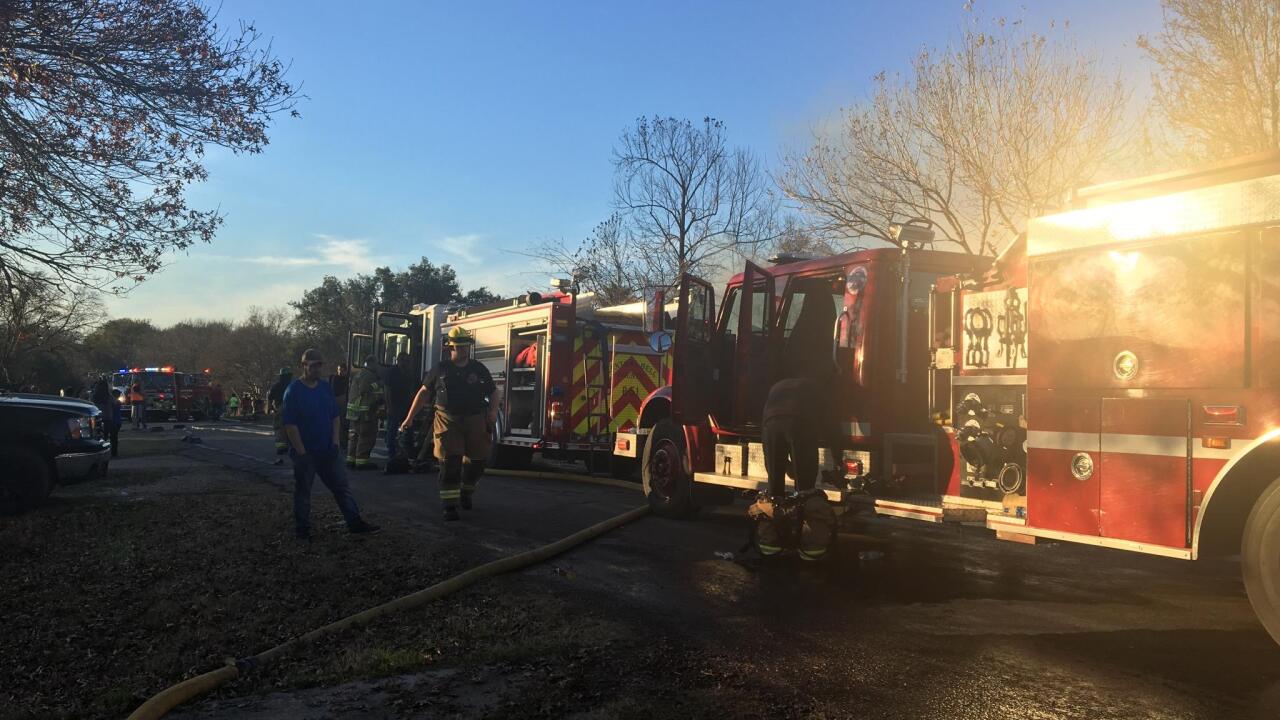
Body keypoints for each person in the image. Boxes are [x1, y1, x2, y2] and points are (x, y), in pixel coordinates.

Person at [282, 348, 380, 540]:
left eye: (320, 365)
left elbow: (335, 417)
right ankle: (302, 530)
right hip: (306, 453)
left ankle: (354, 522)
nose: (317, 369)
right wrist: (301, 452)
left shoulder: (325, 388)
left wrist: (335, 443)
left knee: (341, 487)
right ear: (304, 366)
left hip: (327, 450)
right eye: (313, 365)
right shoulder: (293, 391)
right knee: (303, 492)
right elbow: (290, 424)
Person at [400, 327, 496, 522]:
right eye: (459, 346)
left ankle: (466, 491)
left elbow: (494, 392)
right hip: (447, 420)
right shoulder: (440, 369)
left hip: (475, 419)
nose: (463, 350)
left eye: (466, 346)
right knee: (450, 462)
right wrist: (409, 418)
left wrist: (493, 412)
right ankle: (449, 506)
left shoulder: (479, 369)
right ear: (450, 347)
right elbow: (423, 394)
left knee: (478, 462)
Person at [345, 355, 384, 471]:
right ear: (371, 363)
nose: (378, 366)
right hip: (365, 412)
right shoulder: (369, 375)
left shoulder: (359, 373)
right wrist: (380, 384)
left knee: (354, 436)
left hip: (355, 412)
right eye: (377, 363)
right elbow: (364, 390)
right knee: (366, 436)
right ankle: (362, 461)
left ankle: (351, 459)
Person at [382, 352, 416, 474]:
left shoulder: (408, 373)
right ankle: (391, 454)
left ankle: (407, 454)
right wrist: (389, 406)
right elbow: (387, 390)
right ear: (399, 361)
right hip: (395, 406)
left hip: (406, 406)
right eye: (404, 361)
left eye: (408, 362)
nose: (406, 364)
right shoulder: (391, 372)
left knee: (408, 430)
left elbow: (410, 389)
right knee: (392, 430)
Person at [267, 368, 293, 465]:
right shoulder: (293, 385)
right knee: (292, 426)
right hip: (293, 408)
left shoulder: (276, 386)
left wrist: (270, 409)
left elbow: (270, 398)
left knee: (279, 427)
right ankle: (292, 445)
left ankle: (281, 447)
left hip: (281, 408)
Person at [329, 363, 350, 451]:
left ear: (345, 371)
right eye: (339, 370)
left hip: (342, 402)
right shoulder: (335, 378)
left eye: (342, 370)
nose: (340, 372)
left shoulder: (347, 379)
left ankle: (342, 444)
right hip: (336, 401)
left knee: (343, 424)